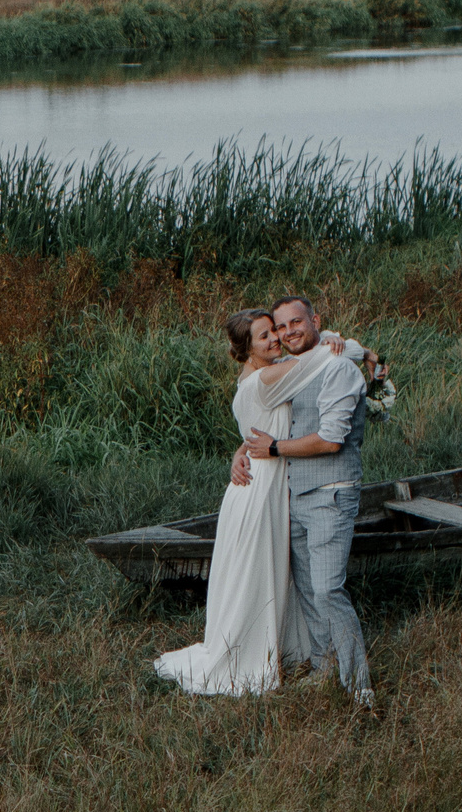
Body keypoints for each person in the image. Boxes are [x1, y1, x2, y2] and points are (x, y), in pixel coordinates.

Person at [153, 310, 329, 697]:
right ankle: (244, 654)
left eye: (274, 331)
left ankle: (280, 645)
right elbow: (314, 361)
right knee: (255, 573)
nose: (274, 339)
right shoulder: (264, 378)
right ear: (246, 348)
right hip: (259, 489)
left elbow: (261, 427)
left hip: (266, 482)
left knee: (273, 569)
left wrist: (239, 450)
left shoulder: (267, 371)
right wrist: (339, 343)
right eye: (263, 336)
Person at [229, 294, 374, 705]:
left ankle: (358, 685)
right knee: (309, 589)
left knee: (329, 590)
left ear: (316, 321)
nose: (288, 332)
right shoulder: (289, 370)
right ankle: (324, 667)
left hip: (330, 493)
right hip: (294, 496)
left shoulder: (338, 367)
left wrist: (274, 449)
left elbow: (330, 441)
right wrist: (241, 452)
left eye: (296, 323)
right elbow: (261, 417)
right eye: (280, 327)